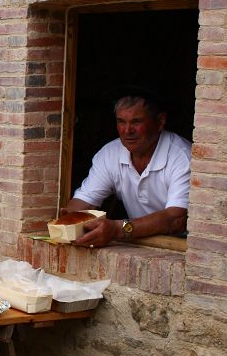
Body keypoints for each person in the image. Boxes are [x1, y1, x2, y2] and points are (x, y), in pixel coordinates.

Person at [64, 91, 190, 247]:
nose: (127, 130)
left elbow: (175, 219)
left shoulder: (181, 156)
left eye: (136, 122)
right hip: (140, 241)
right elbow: (86, 202)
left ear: (160, 121)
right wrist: (65, 220)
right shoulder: (110, 153)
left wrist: (118, 229)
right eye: (121, 122)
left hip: (184, 247)